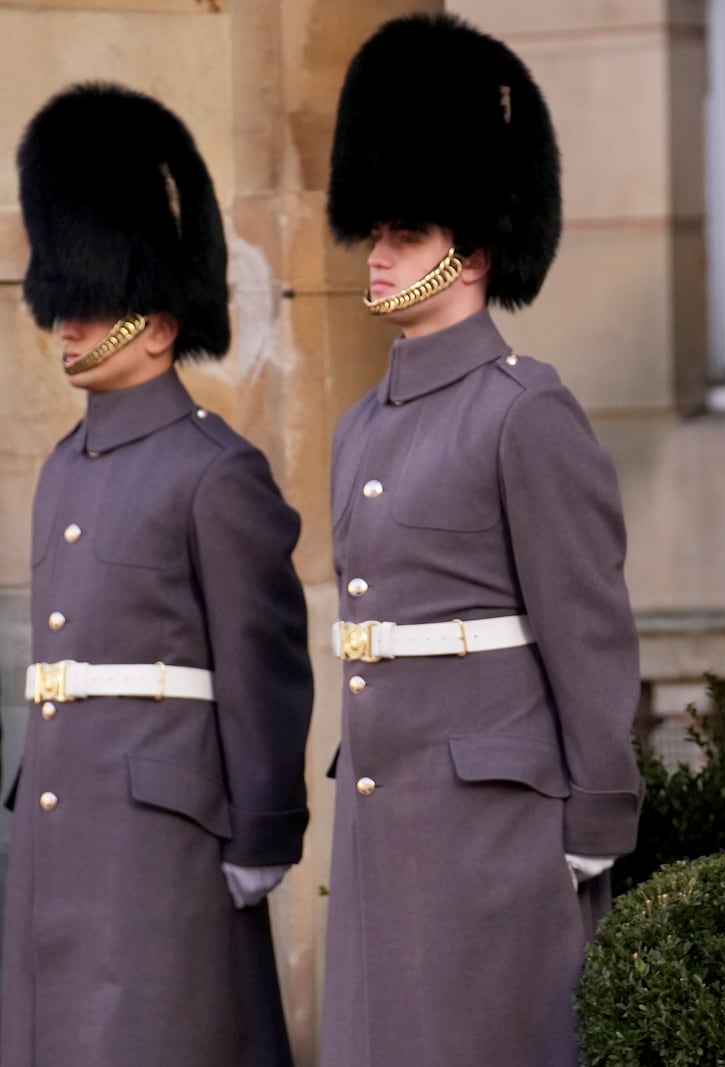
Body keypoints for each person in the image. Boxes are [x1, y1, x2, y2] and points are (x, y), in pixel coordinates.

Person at [319, 14, 643, 1065]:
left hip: (494, 819)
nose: (377, 257)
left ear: (471, 250)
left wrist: (598, 809)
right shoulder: (363, 424)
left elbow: (587, 631)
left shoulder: (523, 411)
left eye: (404, 236)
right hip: (388, 803)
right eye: (376, 234)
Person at [1, 83, 312, 1066]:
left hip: (162, 840)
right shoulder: (59, 470)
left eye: (94, 306)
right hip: (63, 828)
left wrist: (262, 828)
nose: (70, 326)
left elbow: (262, 663)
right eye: (66, 303)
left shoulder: (214, 470)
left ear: (162, 323)